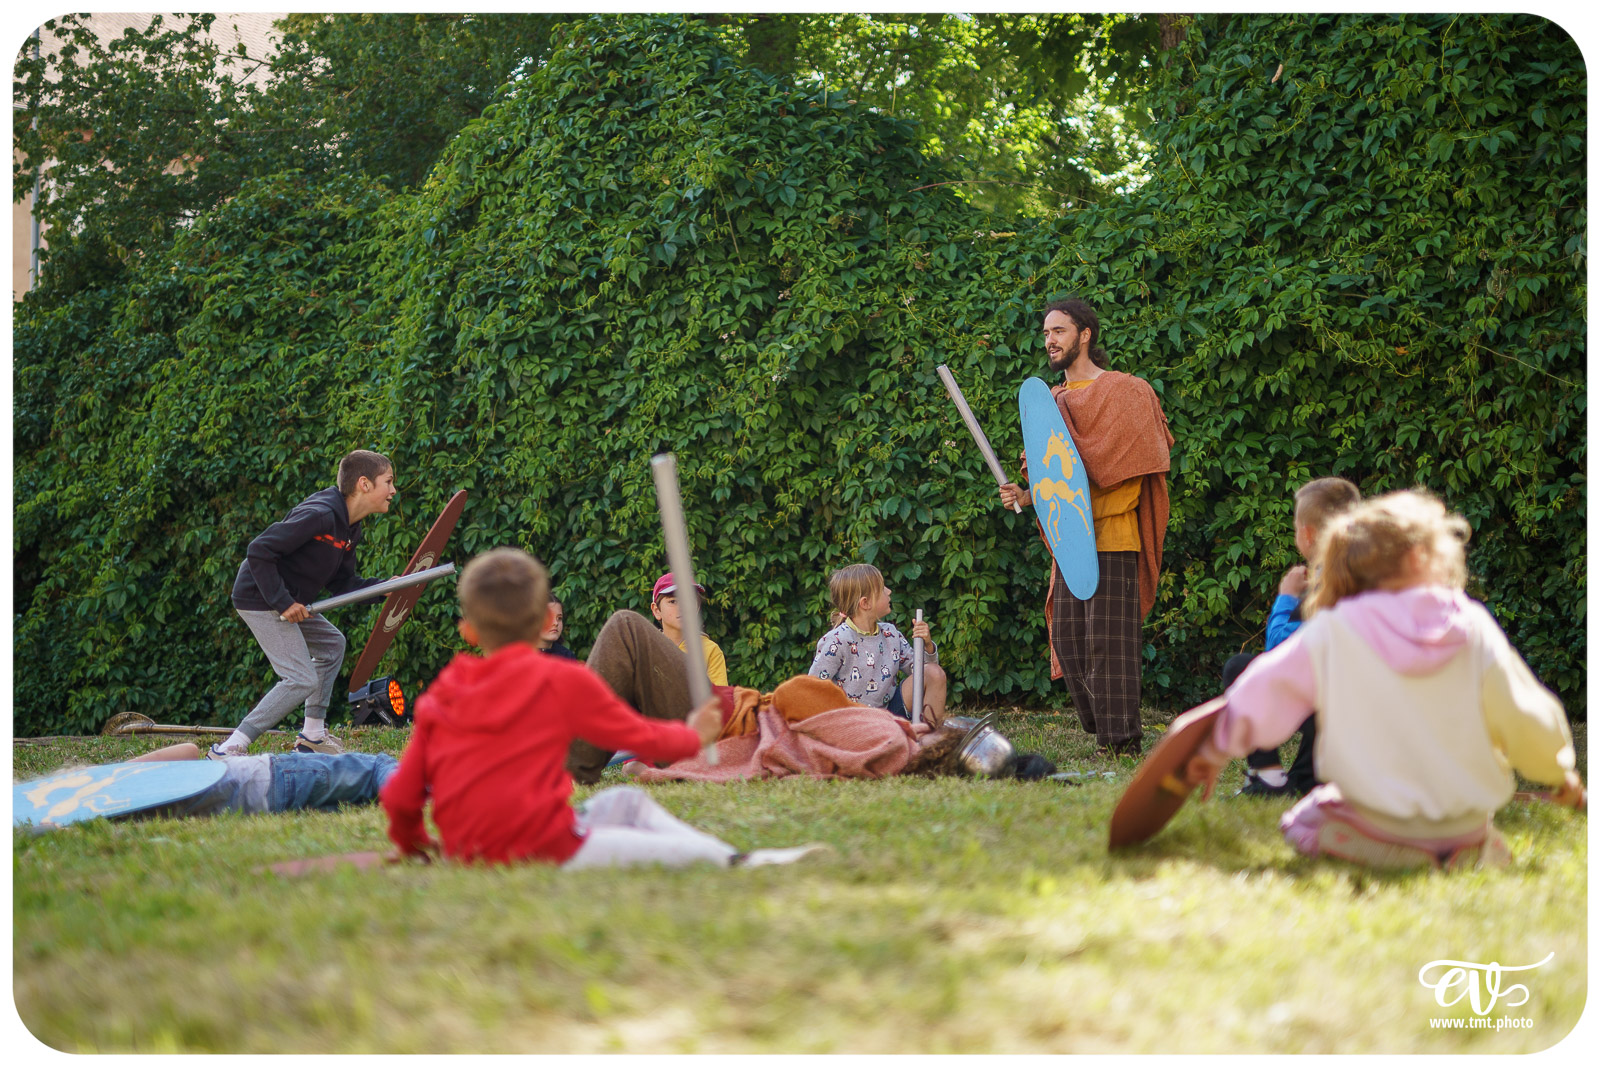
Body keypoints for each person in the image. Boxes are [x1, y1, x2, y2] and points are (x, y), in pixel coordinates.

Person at [1185, 490, 1584, 869]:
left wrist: (1215, 746)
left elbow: (1267, 685)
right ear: (1430, 558)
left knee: (1304, 819)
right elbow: (1524, 711)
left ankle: (1390, 849)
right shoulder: (1472, 625)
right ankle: (1459, 851)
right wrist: (1556, 769)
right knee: (1463, 831)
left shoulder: (1337, 627)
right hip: (1460, 827)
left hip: (1371, 829)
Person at [380, 548, 822, 869]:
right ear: (541, 621)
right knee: (662, 852)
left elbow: (401, 794)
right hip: (547, 847)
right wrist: (696, 734)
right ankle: (740, 861)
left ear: (468, 630)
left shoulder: (442, 693)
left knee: (626, 800)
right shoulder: (561, 680)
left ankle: (733, 858)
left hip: (467, 849)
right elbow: (641, 736)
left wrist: (413, 843)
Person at [998, 298, 1173, 757]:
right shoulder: (1050, 404)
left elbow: (1135, 469)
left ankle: (1121, 742)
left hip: (1114, 536)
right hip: (1070, 540)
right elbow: (1056, 477)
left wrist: (1076, 502)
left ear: (1085, 334)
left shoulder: (1126, 392)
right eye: (1046, 333)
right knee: (1071, 643)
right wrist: (1028, 494)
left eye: (1059, 331)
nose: (1050, 340)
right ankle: (1105, 730)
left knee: (1109, 645)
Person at [215, 450, 397, 759]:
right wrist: (283, 603)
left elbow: (342, 583)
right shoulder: (322, 514)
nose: (393, 491)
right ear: (364, 484)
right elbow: (259, 551)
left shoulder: (350, 528)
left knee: (331, 646)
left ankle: (312, 734)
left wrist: (386, 588)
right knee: (300, 678)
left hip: (286, 599)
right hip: (260, 596)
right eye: (388, 482)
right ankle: (231, 747)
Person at [1222, 477, 1361, 796]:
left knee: (1241, 669)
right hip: (1359, 698)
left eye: (1296, 526)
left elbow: (1281, 648)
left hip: (1336, 697)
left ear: (1308, 535)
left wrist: (1286, 598)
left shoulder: (1332, 581)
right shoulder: (1360, 572)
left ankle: (1268, 777)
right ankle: (1305, 779)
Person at [807, 564, 947, 725]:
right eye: (882, 589)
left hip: (889, 716)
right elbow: (813, 689)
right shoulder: (837, 640)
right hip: (852, 725)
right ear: (865, 603)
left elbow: (923, 673)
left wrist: (927, 645)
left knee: (934, 673)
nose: (889, 591)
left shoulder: (891, 634)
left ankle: (929, 743)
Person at [650, 572, 728, 685]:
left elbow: (720, 698)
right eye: (673, 601)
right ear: (656, 610)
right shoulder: (646, 650)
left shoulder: (710, 651)